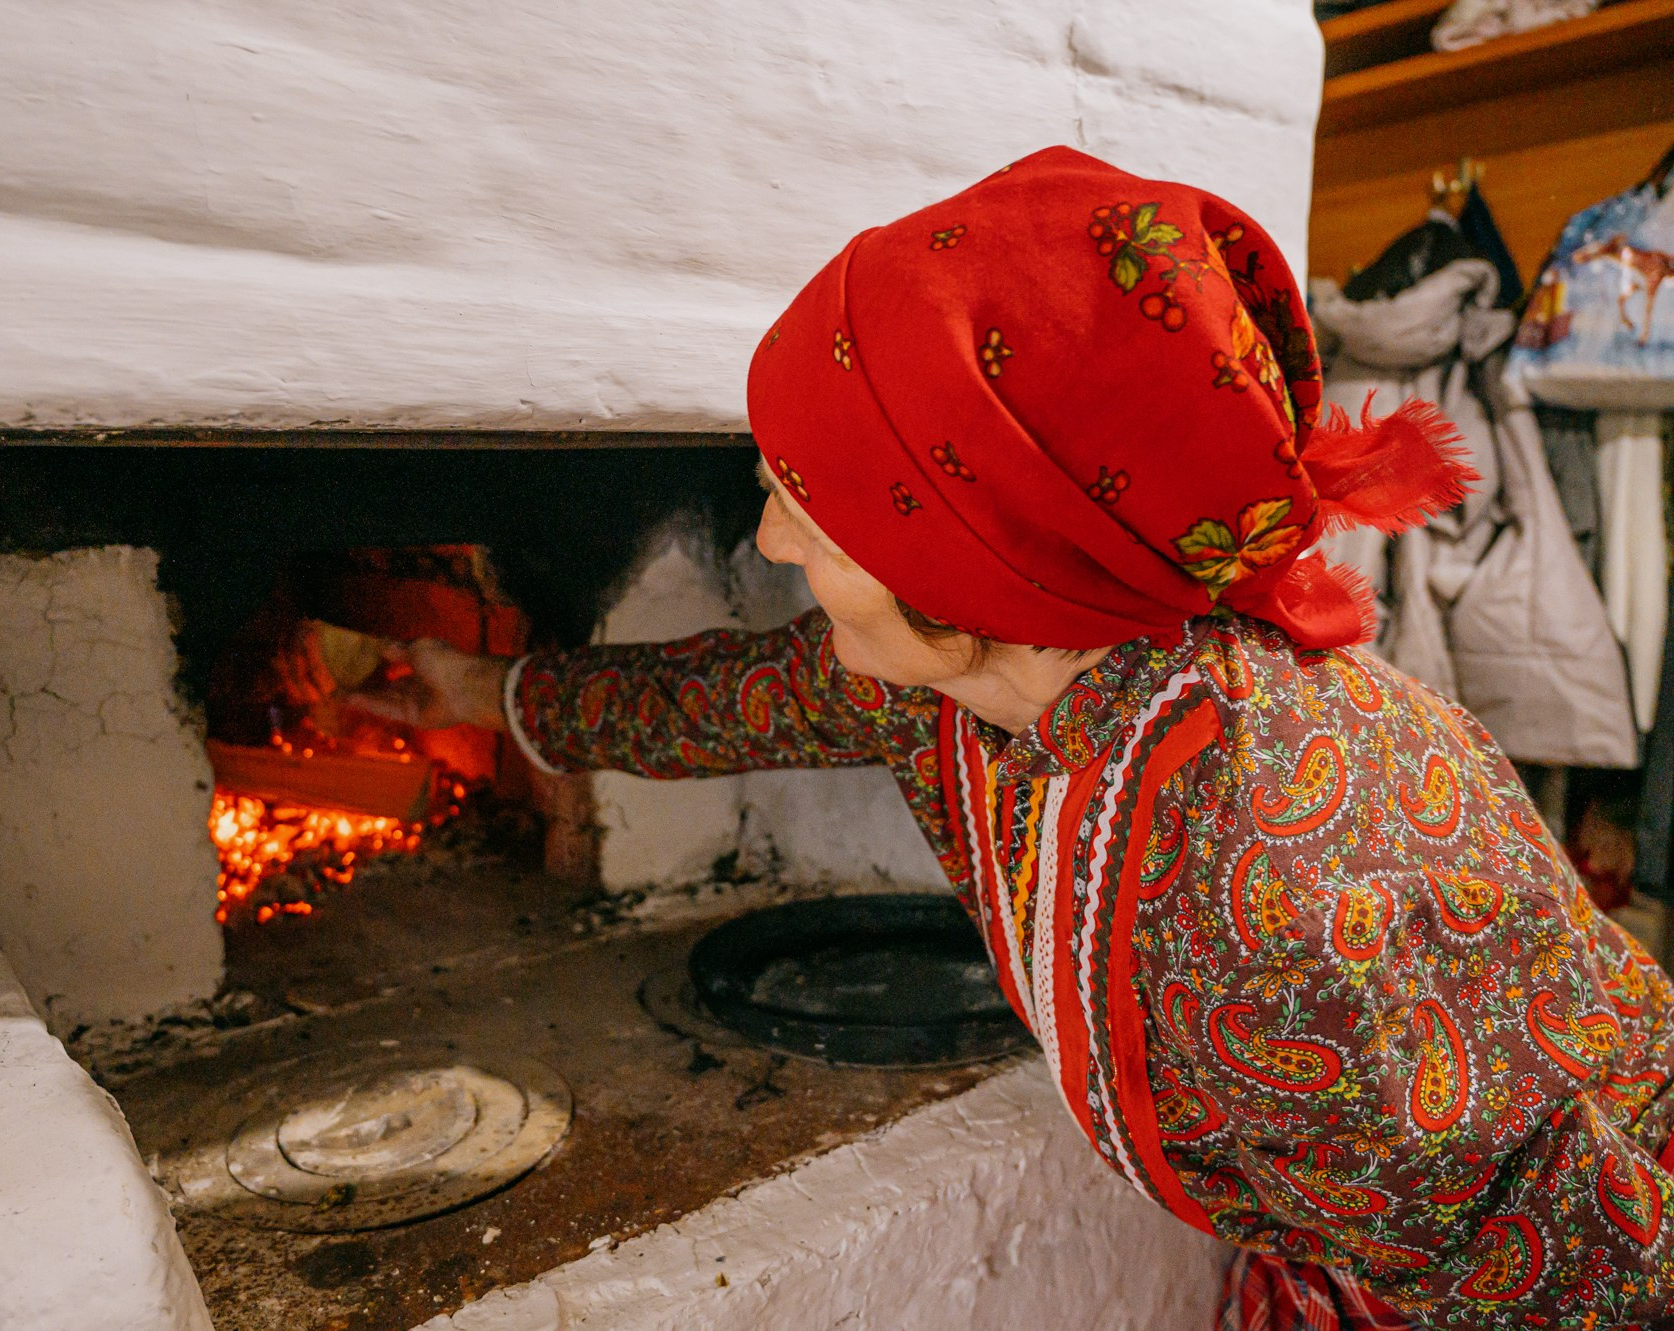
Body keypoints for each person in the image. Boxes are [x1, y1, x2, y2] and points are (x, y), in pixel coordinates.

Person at [293, 147, 1674, 1329]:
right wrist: (479, 700)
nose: (769, 540)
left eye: (802, 502)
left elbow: (1577, 1272)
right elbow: (717, 697)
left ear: (969, 569)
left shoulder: (1271, 896)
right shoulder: (976, 671)